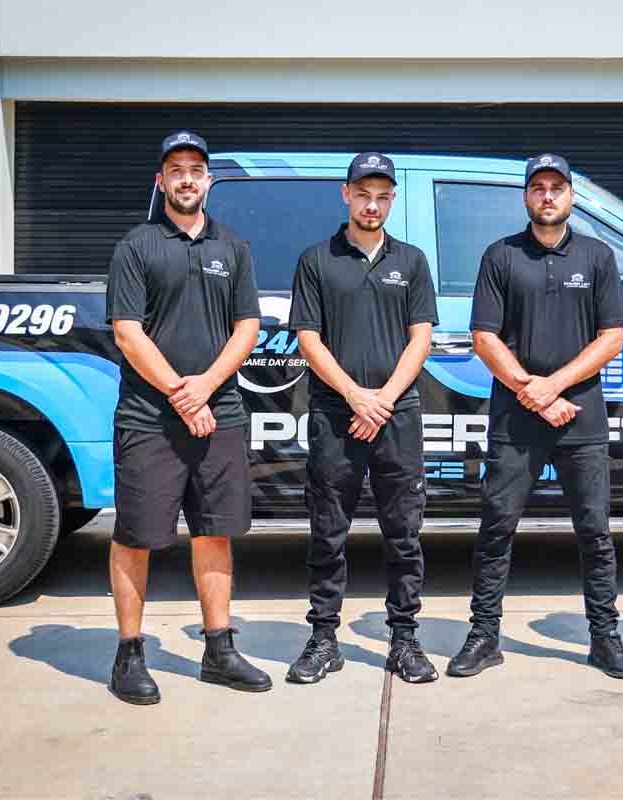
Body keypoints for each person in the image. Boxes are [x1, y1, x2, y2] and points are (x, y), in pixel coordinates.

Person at [447, 154, 623, 680]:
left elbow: (612, 337)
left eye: (557, 187)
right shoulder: (501, 256)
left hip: (581, 416)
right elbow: (484, 337)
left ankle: (605, 638)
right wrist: (533, 391)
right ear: (526, 196)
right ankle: (484, 636)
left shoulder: (597, 256)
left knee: (595, 531)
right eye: (538, 187)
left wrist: (553, 386)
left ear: (571, 196)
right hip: (516, 419)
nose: (548, 195)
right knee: (496, 527)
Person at [104, 131, 271, 704]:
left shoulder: (233, 247)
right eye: (176, 169)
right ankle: (129, 653)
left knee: (214, 531)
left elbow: (247, 327)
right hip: (149, 417)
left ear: (209, 181)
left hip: (219, 412)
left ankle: (218, 650)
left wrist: (205, 389)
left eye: (196, 170)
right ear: (161, 181)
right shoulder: (136, 246)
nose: (186, 179)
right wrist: (182, 394)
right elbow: (128, 333)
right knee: (135, 535)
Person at [287, 152, 440, 684]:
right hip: (336, 414)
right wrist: (355, 396)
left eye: (381, 197)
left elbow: (421, 338)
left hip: (397, 415)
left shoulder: (412, 261)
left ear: (392, 201)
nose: (371, 206)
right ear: (346, 195)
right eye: (363, 195)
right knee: (328, 531)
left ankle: (405, 640)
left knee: (404, 532)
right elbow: (308, 338)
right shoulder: (316, 260)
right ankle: (323, 639)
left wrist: (383, 401)